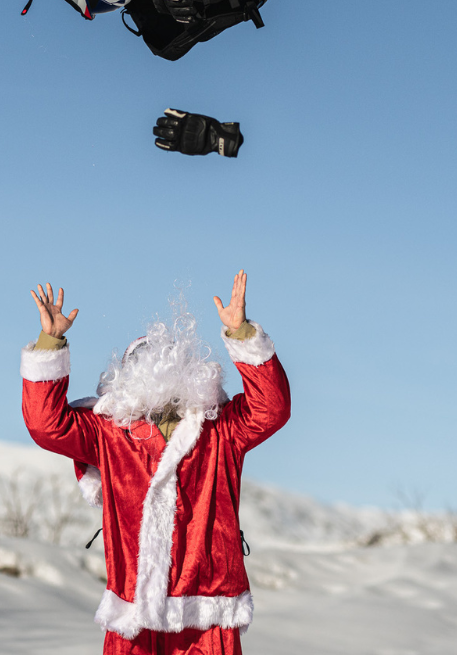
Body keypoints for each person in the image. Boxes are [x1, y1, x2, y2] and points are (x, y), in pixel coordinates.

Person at [21, 271, 291, 655]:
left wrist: (243, 333)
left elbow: (272, 408)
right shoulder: (109, 433)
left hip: (207, 616)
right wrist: (51, 342)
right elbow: (46, 425)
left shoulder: (221, 430)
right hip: (133, 619)